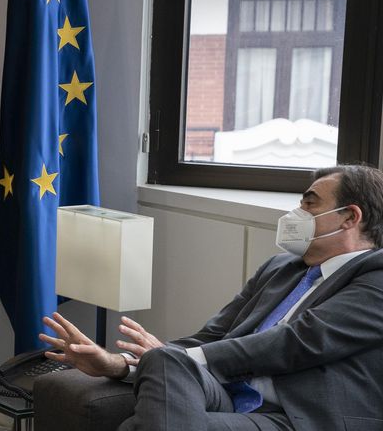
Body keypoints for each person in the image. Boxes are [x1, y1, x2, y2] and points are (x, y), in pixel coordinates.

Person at [40, 164, 383, 430]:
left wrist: (187, 358)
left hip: (295, 416)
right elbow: (210, 337)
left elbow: (299, 341)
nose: (296, 215)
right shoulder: (280, 268)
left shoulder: (376, 277)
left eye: (309, 204)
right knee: (166, 360)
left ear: (350, 217)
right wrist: (118, 363)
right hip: (226, 393)